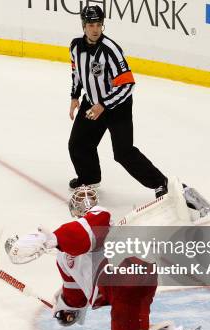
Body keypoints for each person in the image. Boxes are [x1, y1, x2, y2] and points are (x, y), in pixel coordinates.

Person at [4, 180, 210, 330]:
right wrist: (66, 309)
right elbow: (74, 294)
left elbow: (87, 234)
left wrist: (54, 239)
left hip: (123, 281)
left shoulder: (98, 217)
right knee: (134, 317)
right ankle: (138, 328)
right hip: (142, 274)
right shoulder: (63, 254)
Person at [68, 5, 168, 198]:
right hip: (92, 104)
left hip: (117, 108)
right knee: (78, 144)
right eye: (91, 25)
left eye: (99, 25)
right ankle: (89, 177)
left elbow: (127, 84)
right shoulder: (75, 46)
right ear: (84, 26)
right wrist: (74, 96)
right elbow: (77, 73)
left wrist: (103, 104)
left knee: (124, 153)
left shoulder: (111, 50)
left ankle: (160, 183)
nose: (95, 29)